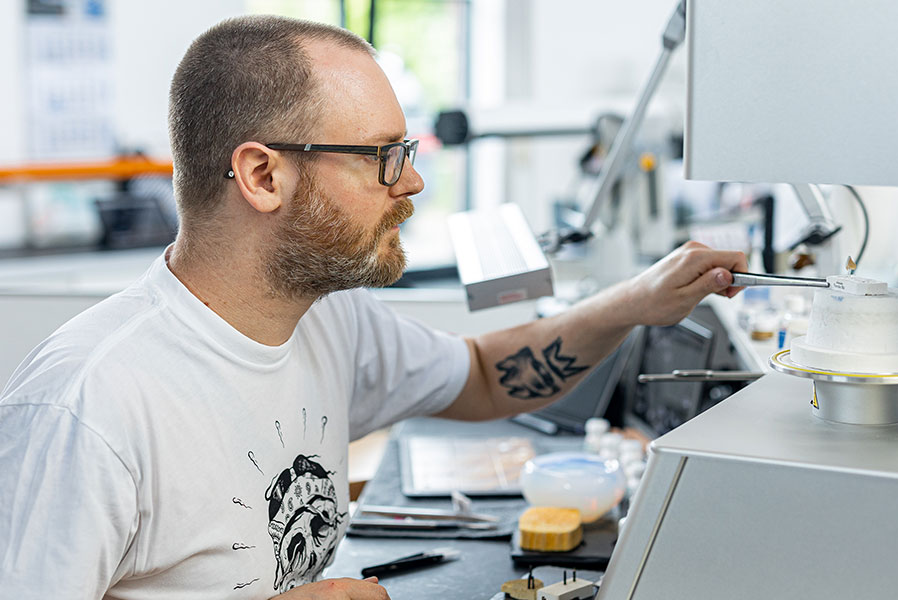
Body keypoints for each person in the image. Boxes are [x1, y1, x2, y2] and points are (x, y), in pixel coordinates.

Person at [0, 15, 746, 600]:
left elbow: (483, 376)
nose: (412, 183)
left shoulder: (328, 319)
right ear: (263, 176)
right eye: (384, 156)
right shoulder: (86, 407)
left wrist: (634, 302)